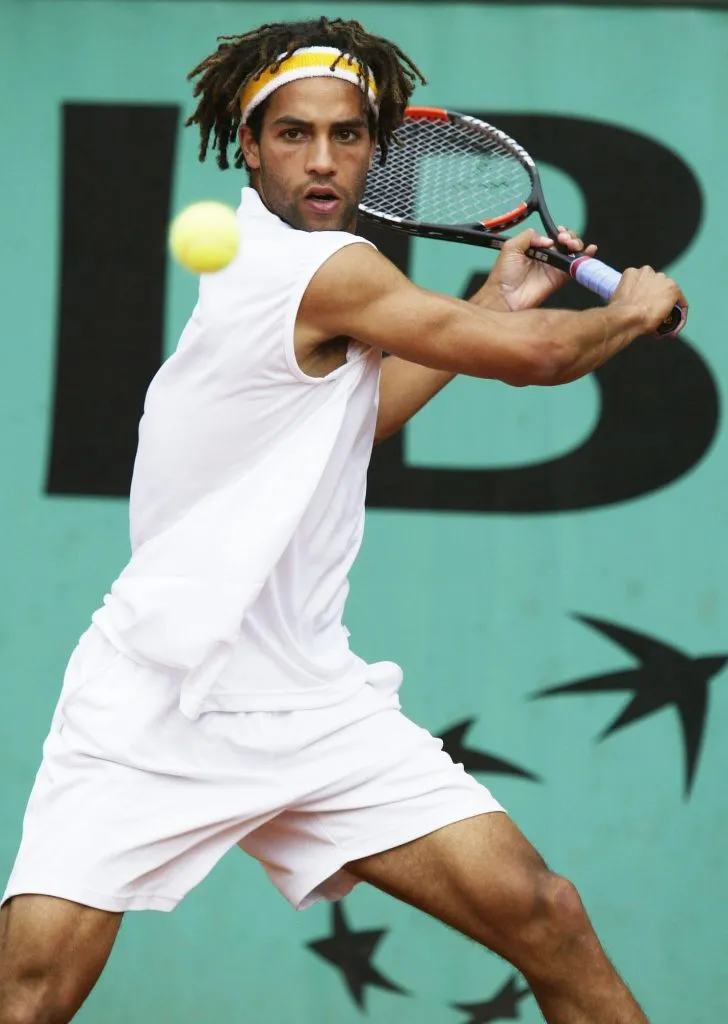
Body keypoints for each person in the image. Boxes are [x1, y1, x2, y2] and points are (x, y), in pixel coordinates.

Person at [0, 16, 685, 1024]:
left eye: (348, 135)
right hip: (159, 692)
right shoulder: (324, 272)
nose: (322, 161)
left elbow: (356, 418)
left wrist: (494, 298)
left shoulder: (302, 273)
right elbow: (543, 361)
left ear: (377, 147)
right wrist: (625, 310)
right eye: (292, 134)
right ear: (248, 144)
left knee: (545, 916)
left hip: (311, 699)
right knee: (31, 993)